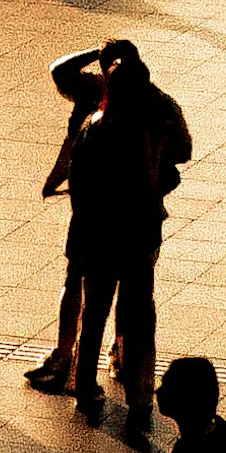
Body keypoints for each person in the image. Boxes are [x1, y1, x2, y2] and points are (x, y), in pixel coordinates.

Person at [27, 36, 192, 420]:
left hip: (98, 234)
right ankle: (140, 397)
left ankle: (85, 388)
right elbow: (151, 184)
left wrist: (82, 220)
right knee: (139, 315)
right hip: (136, 238)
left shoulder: (95, 124)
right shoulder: (152, 123)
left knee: (97, 312)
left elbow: (80, 178)